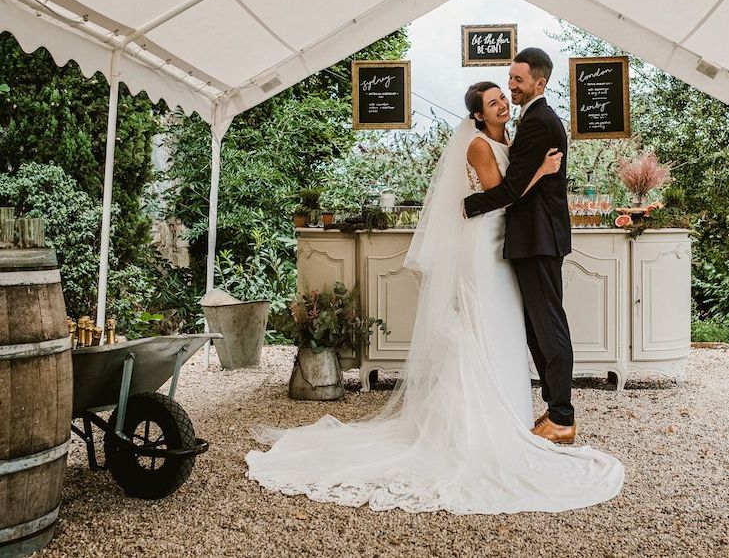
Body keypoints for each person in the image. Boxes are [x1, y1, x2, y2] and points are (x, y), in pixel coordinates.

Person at [245, 77, 624, 514]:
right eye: (494, 101)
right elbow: (498, 196)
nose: (502, 103)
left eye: (504, 96)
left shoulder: (512, 136)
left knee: (504, 327)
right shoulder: (480, 146)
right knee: (487, 324)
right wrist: (541, 172)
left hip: (504, 245)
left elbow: (507, 188)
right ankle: (475, 425)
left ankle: (510, 415)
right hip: (484, 247)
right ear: (478, 115)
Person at [464, 47, 575, 444]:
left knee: (548, 326)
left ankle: (562, 416)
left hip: (538, 237)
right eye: (508, 79)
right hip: (532, 238)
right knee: (536, 327)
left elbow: (511, 189)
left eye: (517, 81)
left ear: (539, 83)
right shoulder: (531, 121)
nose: (510, 87)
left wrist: (467, 205)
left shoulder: (537, 122)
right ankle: (554, 408)